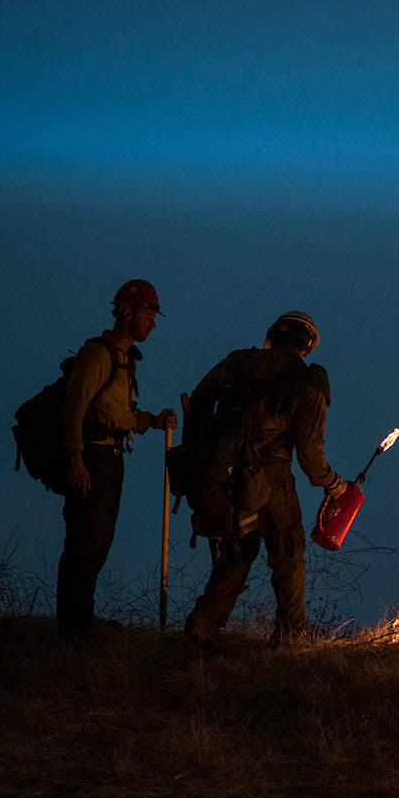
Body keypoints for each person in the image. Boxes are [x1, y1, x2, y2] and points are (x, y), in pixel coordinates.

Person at [183, 310, 348, 651]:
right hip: (269, 475)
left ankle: (204, 623)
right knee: (288, 551)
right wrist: (335, 486)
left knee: (238, 547)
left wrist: (200, 452)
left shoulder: (241, 361)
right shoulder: (307, 382)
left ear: (274, 334)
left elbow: (199, 398)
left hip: (218, 470)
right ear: (307, 347)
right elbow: (310, 457)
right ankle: (291, 636)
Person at [58, 278, 177, 641]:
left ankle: (82, 621)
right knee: (84, 541)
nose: (153, 323)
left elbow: (120, 412)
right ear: (127, 313)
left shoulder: (125, 359)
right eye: (148, 313)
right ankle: (74, 628)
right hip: (92, 456)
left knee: (99, 540)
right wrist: (75, 461)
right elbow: (74, 407)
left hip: (112, 457)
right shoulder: (99, 354)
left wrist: (154, 422)